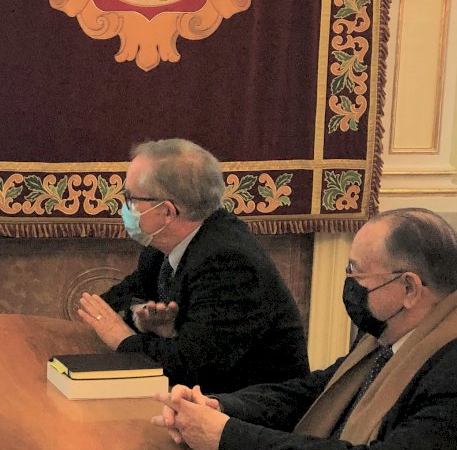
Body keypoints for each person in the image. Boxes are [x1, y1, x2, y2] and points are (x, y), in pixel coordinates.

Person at [155, 209, 457, 450]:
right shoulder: (393, 334)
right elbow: (314, 391)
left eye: (356, 272)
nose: (349, 282)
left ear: (409, 289)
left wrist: (229, 438)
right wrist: (219, 407)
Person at [78, 139, 308, 392]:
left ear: (167, 212)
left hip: (251, 411)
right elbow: (111, 305)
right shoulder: (162, 246)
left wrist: (124, 339)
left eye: (130, 198)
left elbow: (191, 368)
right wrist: (140, 321)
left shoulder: (228, 262)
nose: (124, 207)